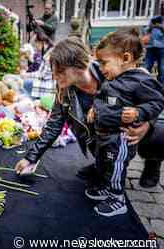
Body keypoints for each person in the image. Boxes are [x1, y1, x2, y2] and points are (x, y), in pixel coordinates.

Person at [15, 37, 157, 205]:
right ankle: (101, 165)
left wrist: (148, 125)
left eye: (59, 71)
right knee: (103, 160)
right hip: (99, 138)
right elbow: (54, 124)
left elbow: (153, 98)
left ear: (77, 65)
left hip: (125, 136)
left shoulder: (114, 73)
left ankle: (153, 163)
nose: (54, 76)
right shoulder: (65, 89)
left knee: (159, 134)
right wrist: (31, 157)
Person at [85, 28, 164, 217]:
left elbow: (158, 101)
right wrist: (94, 109)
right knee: (103, 163)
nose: (102, 68)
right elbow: (101, 97)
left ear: (126, 58)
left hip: (121, 137)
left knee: (115, 167)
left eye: (104, 63)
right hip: (105, 134)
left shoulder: (140, 81)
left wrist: (139, 112)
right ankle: (106, 188)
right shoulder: (112, 79)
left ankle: (118, 198)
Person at [144, 1, 164, 85]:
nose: (162, 7)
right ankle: (144, 84)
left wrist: (160, 27)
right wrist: (151, 27)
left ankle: (161, 87)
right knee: (147, 67)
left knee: (162, 69)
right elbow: (146, 30)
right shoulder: (155, 18)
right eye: (162, 6)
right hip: (151, 46)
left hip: (162, 47)